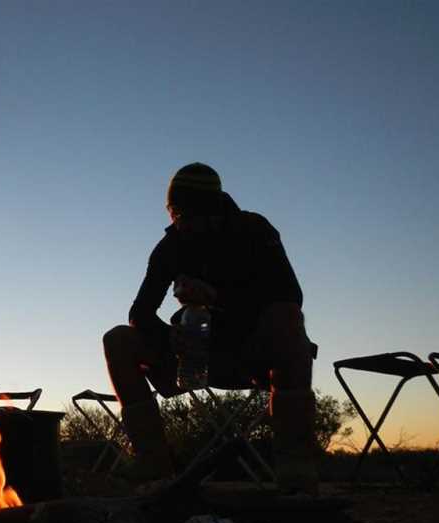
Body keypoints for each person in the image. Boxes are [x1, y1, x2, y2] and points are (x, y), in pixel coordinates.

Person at [103, 162, 319, 494]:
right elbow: (140, 312)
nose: (180, 224)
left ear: (212, 210)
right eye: (174, 215)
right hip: (192, 353)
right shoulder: (171, 246)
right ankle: (152, 460)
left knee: (288, 320)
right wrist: (166, 335)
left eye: (186, 215)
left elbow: (290, 296)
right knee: (118, 340)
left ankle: (294, 464)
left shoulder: (255, 231)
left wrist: (217, 297)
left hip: (250, 351)